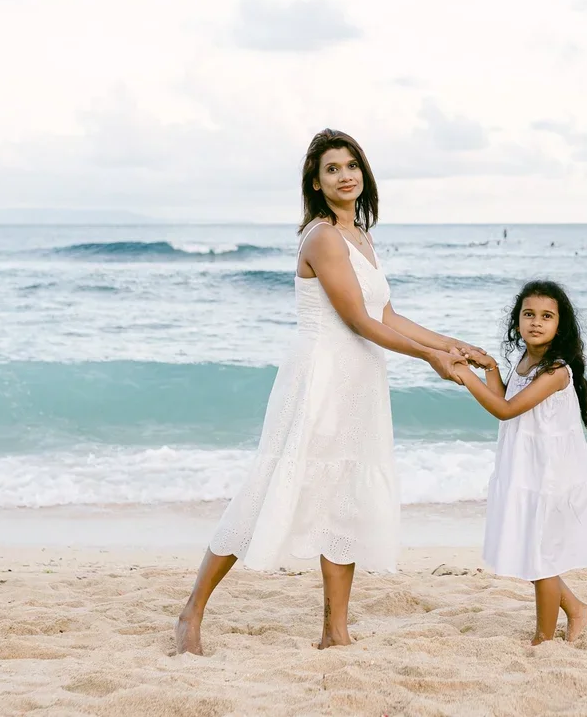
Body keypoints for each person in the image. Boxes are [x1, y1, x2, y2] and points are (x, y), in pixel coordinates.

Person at [174, 129, 480, 654]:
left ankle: (334, 631)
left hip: (360, 378)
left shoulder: (359, 234)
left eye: (351, 165)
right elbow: (357, 320)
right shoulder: (321, 237)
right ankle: (191, 612)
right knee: (269, 488)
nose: (345, 176)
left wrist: (451, 343)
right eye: (332, 169)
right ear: (316, 184)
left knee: (345, 498)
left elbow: (385, 313)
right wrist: (428, 357)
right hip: (320, 376)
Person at [450, 281, 587, 645]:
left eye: (547, 316)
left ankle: (543, 639)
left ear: (560, 325)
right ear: (517, 320)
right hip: (523, 468)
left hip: (548, 474)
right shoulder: (526, 360)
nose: (536, 322)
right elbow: (506, 398)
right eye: (529, 314)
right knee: (529, 547)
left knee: (540, 556)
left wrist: (466, 376)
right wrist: (487, 367)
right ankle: (577, 609)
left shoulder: (556, 371)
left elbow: (504, 409)